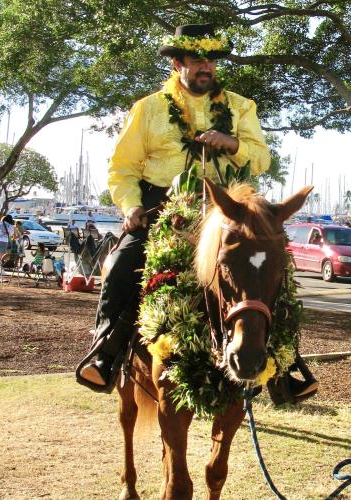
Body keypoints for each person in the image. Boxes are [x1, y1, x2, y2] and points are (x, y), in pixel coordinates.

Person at [77, 24, 315, 401]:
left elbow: (262, 158)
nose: (206, 66)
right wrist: (131, 206)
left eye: (211, 60)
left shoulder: (240, 106)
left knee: (271, 268)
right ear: (177, 63)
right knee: (122, 265)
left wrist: (232, 142)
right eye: (196, 60)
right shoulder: (149, 109)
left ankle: (285, 369)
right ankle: (105, 353)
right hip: (162, 207)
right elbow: (122, 167)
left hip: (229, 209)